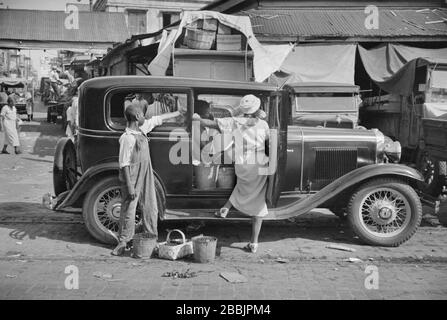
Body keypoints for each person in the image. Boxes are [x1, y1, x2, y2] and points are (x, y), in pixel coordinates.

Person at [193, 94, 269, 253]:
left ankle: (226, 208)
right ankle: (254, 242)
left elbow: (212, 124)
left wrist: (197, 119)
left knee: (241, 186)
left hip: (242, 164)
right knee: (259, 203)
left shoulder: (234, 122)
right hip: (259, 164)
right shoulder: (263, 124)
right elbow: (270, 140)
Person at [111, 104, 181, 256]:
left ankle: (151, 238)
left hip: (146, 173)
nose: (145, 117)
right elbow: (124, 164)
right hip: (132, 175)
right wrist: (130, 187)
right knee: (129, 209)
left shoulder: (141, 130)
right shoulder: (127, 138)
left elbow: (157, 119)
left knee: (151, 206)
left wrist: (177, 112)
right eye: (143, 114)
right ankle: (123, 242)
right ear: (137, 117)